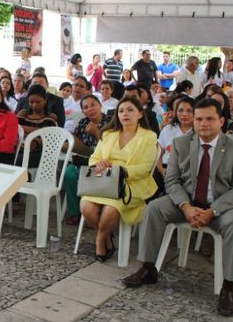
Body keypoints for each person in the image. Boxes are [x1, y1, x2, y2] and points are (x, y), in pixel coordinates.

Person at [123, 98, 233, 317]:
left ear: (221, 121)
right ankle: (148, 267)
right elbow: (172, 181)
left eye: (210, 119)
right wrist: (186, 207)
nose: (203, 124)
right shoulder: (183, 144)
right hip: (187, 202)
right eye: (199, 119)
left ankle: (228, 287)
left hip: (223, 207)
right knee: (154, 208)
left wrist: (212, 211)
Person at [80, 97, 158, 262]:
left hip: (131, 183)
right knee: (86, 206)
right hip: (105, 182)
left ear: (140, 114)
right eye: (121, 111)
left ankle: (100, 240)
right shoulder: (108, 134)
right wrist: (99, 164)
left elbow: (144, 168)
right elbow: (93, 159)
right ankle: (107, 237)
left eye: (130, 110)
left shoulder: (149, 137)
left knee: (111, 208)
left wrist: (120, 171)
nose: (125, 114)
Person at [63, 95, 109, 226]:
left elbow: (113, 146)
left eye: (93, 104)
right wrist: (67, 146)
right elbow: (76, 143)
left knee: (94, 175)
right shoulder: (82, 123)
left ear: (100, 105)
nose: (90, 109)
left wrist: (96, 133)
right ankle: (75, 212)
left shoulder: (111, 122)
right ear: (83, 111)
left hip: (104, 164)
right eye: (86, 107)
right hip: (83, 161)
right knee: (69, 172)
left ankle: (93, 214)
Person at [16, 84, 59, 167]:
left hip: (42, 151)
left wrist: (22, 128)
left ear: (45, 100)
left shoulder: (51, 117)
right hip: (20, 147)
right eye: (31, 102)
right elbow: (13, 128)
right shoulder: (23, 114)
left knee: (20, 160)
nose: (34, 105)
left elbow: (45, 133)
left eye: (38, 102)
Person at [157, 96, 195, 176]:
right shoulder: (168, 129)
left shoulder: (199, 132)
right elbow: (158, 154)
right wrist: (161, 170)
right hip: (166, 169)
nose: (184, 114)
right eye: (180, 110)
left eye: (189, 111)